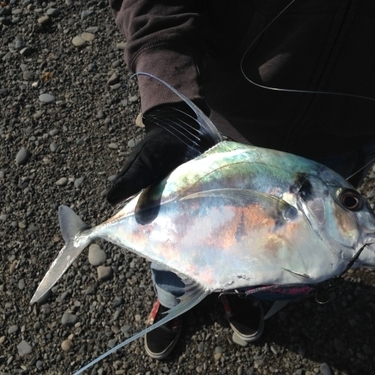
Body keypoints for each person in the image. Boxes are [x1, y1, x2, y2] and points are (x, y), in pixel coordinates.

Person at [107, 0, 375, 359]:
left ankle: (237, 293)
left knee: (270, 259)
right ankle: (174, 300)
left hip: (344, 141)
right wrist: (170, 102)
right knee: (183, 236)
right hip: (227, 131)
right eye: (351, 203)